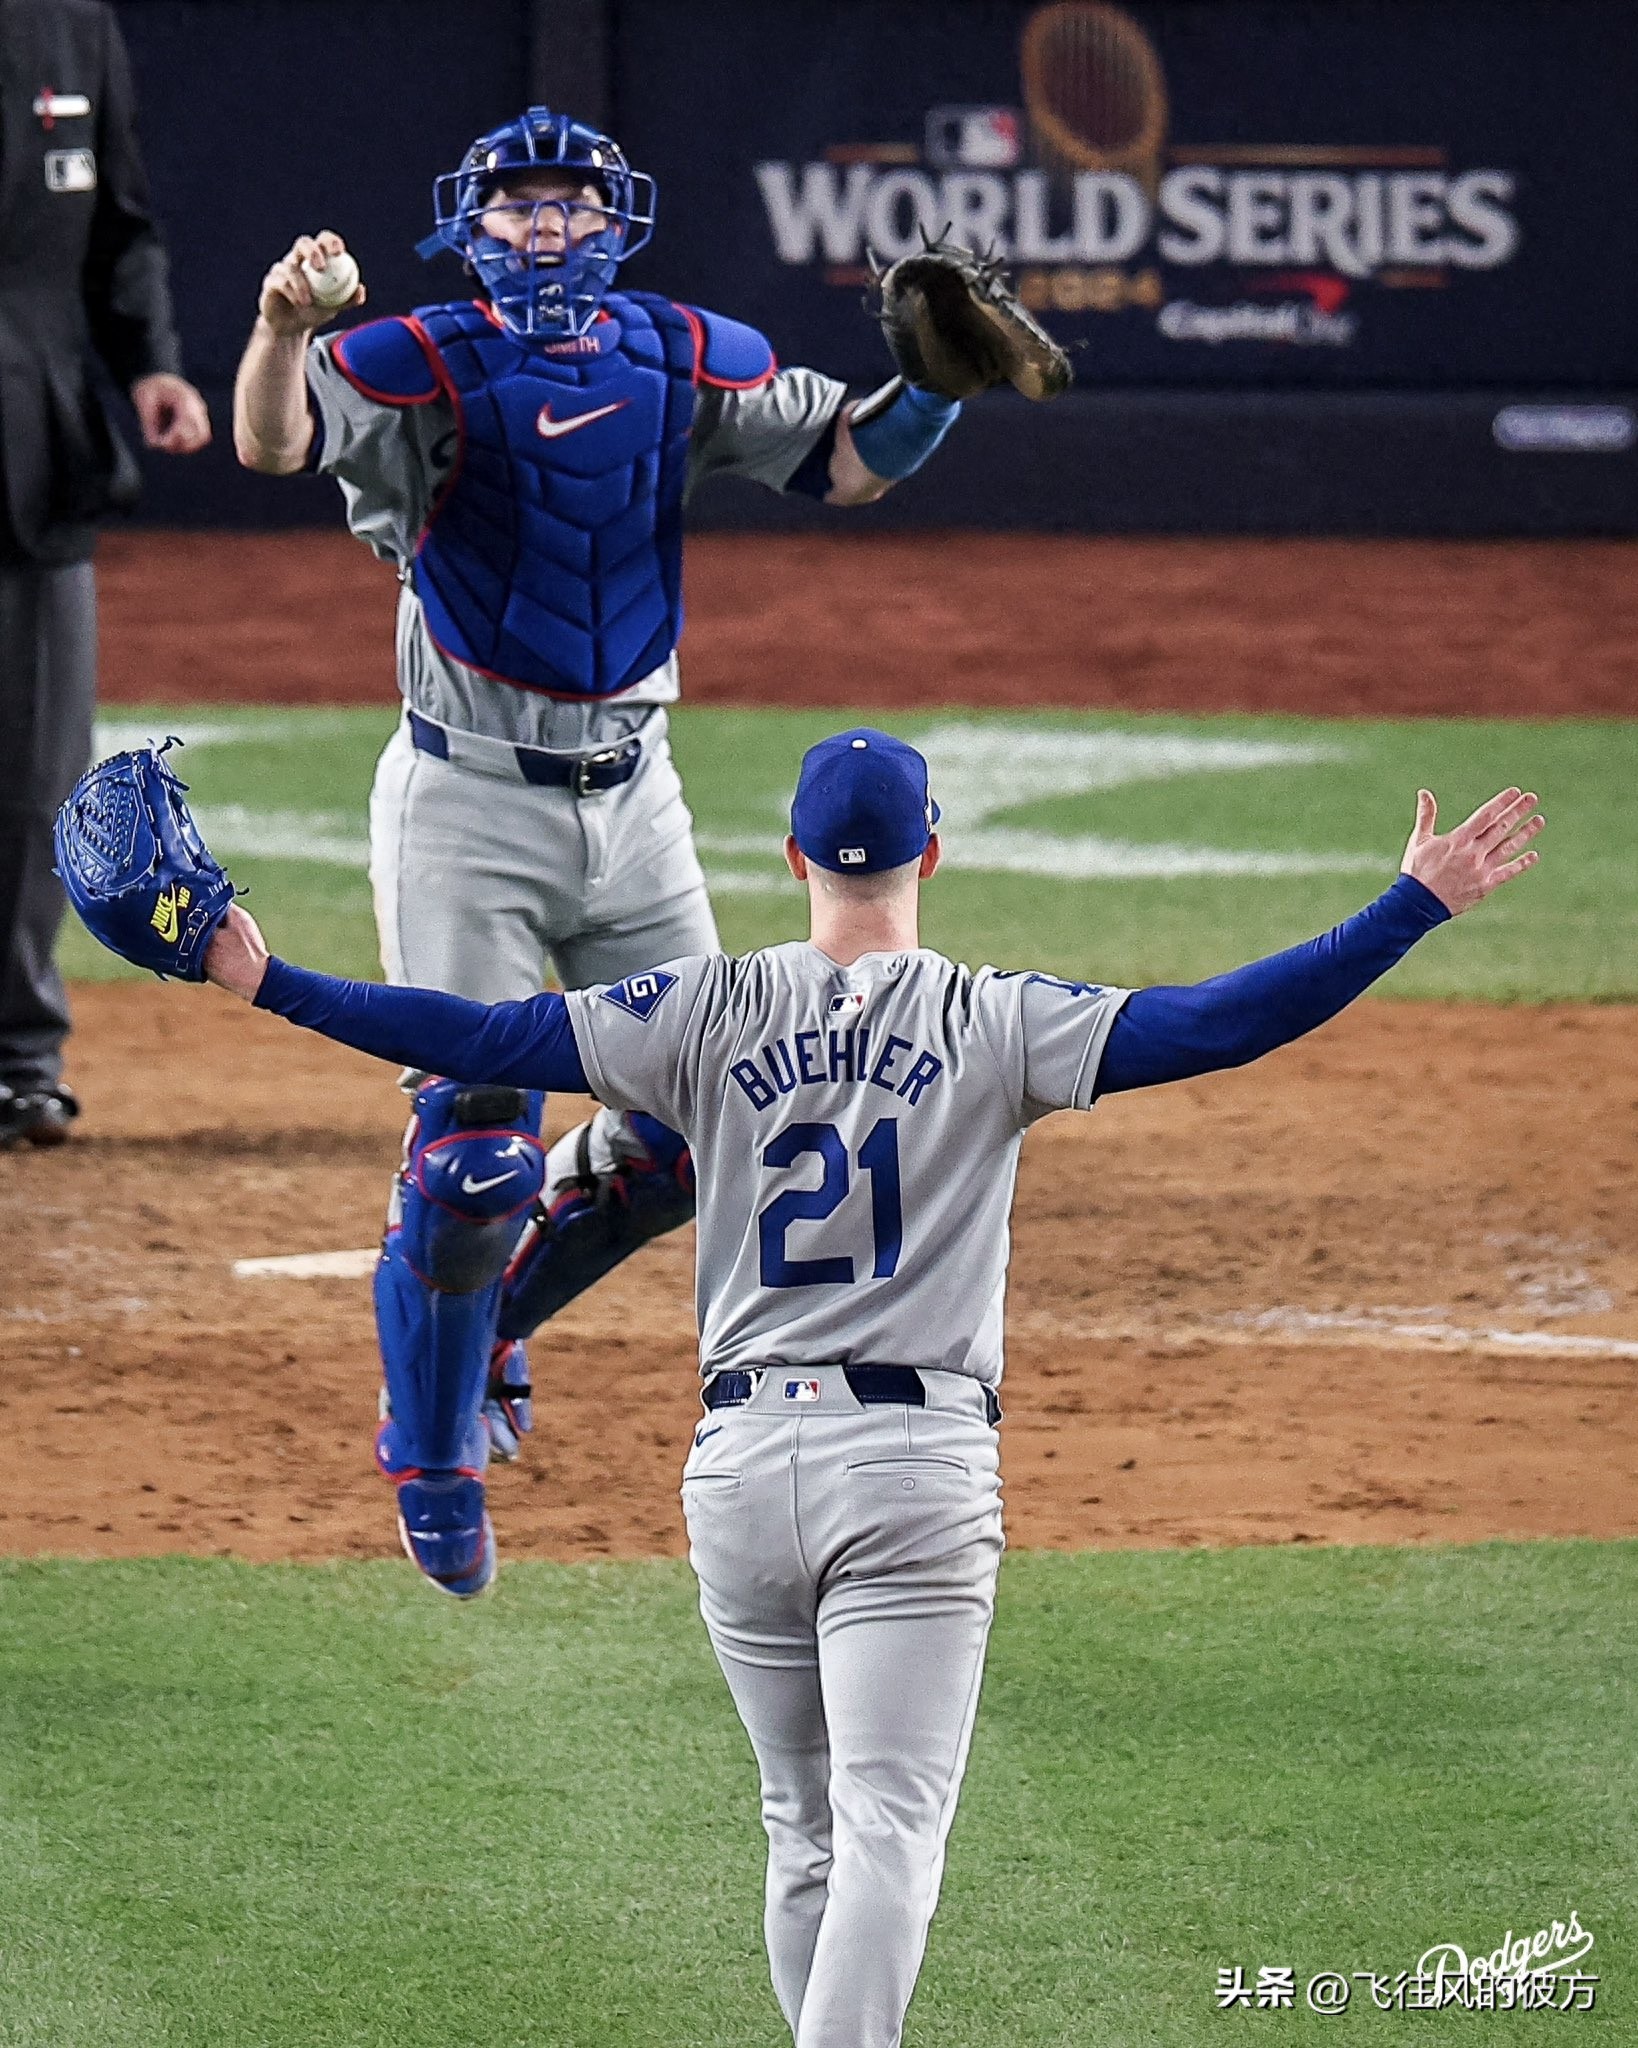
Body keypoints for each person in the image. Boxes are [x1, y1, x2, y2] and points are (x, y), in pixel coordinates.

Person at [183, 732, 1540, 2047]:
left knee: (802, 1827)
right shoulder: (994, 1019)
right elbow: (1219, 1023)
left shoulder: (700, 1012)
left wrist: (271, 980)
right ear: (929, 853)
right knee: (889, 1828)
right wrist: (1407, 906)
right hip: (912, 1470)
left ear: (789, 857)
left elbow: (476, 1028)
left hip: (737, 1472)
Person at [229, 106, 979, 1589]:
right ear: (472, 225)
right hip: (467, 803)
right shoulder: (419, 361)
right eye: (519, 208)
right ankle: (432, 1443)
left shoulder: (674, 356)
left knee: (723, 1120)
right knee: (472, 1155)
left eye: (573, 204)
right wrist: (272, 326)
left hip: (636, 799)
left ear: (617, 217)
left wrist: (935, 389)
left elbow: (845, 460)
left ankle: (495, 1316)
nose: (550, 229)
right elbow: (273, 441)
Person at [0, 0, 210, 1147]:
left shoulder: (69, 24)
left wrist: (148, 365)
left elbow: (119, 229)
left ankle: (17, 1056)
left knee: (32, 773)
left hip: (29, 444)